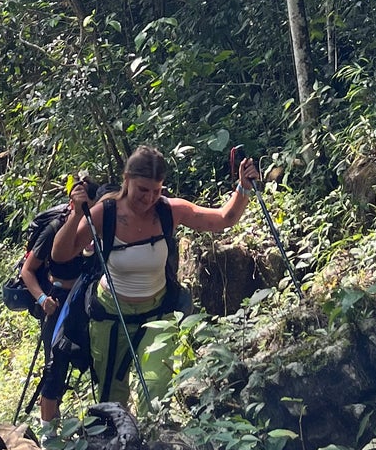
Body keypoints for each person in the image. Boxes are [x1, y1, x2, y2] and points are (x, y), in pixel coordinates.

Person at [51, 144, 261, 407]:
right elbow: (61, 254)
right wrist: (75, 213)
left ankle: (156, 444)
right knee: (111, 399)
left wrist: (242, 187)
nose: (149, 198)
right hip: (111, 316)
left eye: (156, 190)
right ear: (127, 180)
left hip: (158, 315)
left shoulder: (168, 211)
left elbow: (222, 219)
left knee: (157, 393)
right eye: (142, 190)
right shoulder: (106, 213)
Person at [19, 173, 104, 424]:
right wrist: (42, 298)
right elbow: (28, 269)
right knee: (55, 366)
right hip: (59, 303)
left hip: (90, 302)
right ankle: (48, 431)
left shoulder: (99, 228)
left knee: (97, 359)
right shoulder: (55, 229)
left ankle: (102, 421)